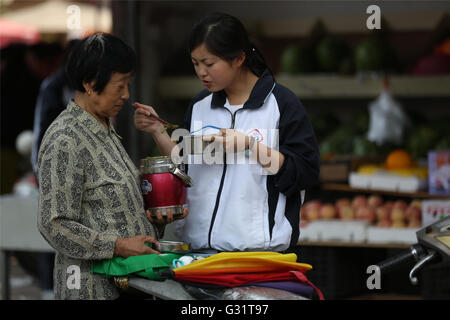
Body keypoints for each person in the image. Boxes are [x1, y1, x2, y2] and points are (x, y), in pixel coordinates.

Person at [134, 13, 320, 253]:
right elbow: (185, 166)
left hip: (257, 254)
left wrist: (251, 147)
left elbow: (304, 172)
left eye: (209, 64)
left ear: (239, 58)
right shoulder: (200, 105)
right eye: (195, 63)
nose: (201, 72)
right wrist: (157, 130)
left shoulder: (281, 104)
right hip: (197, 252)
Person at [37, 33, 179, 300]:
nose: (126, 95)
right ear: (90, 84)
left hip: (130, 284)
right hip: (91, 289)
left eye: (128, 84)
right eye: (120, 85)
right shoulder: (65, 138)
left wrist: (154, 220)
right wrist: (119, 246)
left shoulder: (105, 128)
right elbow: (54, 224)